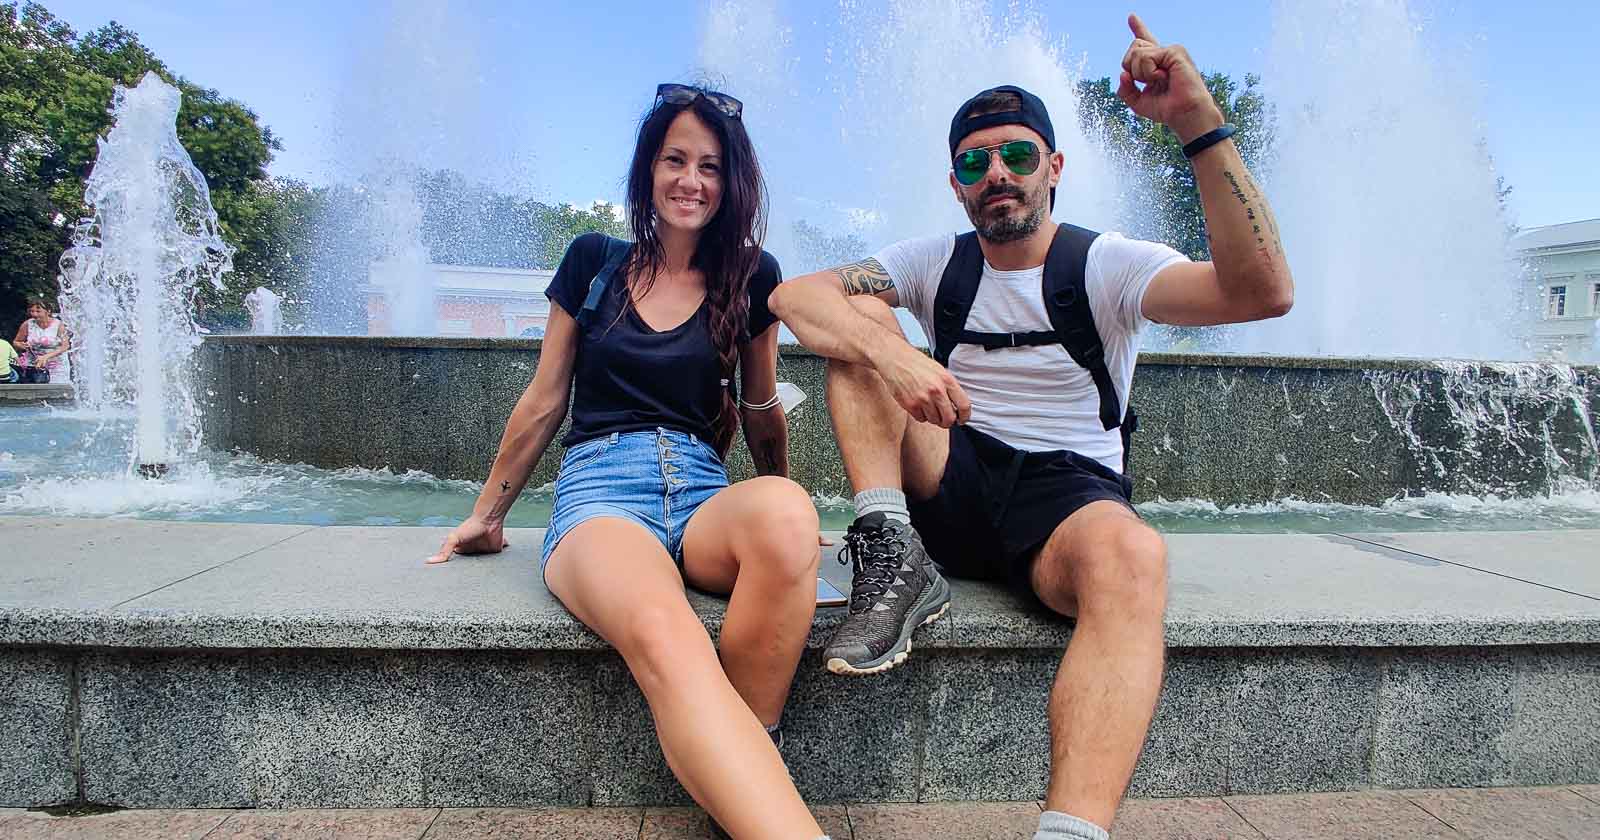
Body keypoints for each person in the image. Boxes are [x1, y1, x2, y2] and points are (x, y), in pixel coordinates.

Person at [768, 15, 1294, 840]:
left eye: (1017, 155)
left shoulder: (1108, 263)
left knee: (1134, 556)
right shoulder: (936, 260)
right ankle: (891, 550)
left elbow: (1260, 293)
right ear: (956, 184)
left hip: (1066, 499)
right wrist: (897, 356)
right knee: (854, 318)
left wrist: (1198, 124)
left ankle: (1070, 833)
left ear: (1054, 167)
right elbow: (792, 296)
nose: (998, 174)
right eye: (975, 163)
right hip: (948, 475)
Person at [428, 84, 832, 840]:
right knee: (667, 632)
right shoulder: (593, 262)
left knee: (787, 517)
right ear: (648, 169)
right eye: (675, 159)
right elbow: (546, 399)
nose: (691, 179)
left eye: (710, 166)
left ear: (731, 180)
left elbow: (758, 408)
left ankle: (748, 759)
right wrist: (488, 515)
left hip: (703, 492)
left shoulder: (752, 275)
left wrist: (789, 505)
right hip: (603, 496)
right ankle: (767, 806)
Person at [13, 299, 71, 383]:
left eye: (38, 311)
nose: (34, 314)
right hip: (34, 365)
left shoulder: (58, 325)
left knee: (57, 390)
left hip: (57, 365)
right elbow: (16, 342)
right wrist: (22, 345)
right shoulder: (27, 324)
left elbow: (65, 346)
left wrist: (46, 357)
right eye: (32, 311)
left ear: (48, 311)